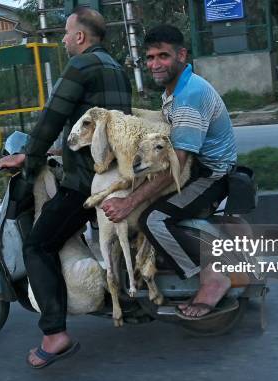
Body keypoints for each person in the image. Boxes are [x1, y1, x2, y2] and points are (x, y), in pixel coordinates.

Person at [0, 6, 132, 368]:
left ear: (81, 37)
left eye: (66, 33)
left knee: (38, 244)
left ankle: (54, 334)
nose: (63, 39)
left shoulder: (80, 66)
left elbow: (51, 118)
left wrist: (29, 157)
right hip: (114, 175)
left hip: (86, 182)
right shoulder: (118, 69)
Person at [101, 25, 238, 320]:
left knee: (154, 219)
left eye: (163, 56)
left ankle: (212, 278)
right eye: (150, 58)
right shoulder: (175, 89)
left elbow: (175, 164)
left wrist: (128, 202)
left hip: (210, 175)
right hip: (196, 167)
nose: (155, 64)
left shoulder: (189, 96)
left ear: (181, 55)